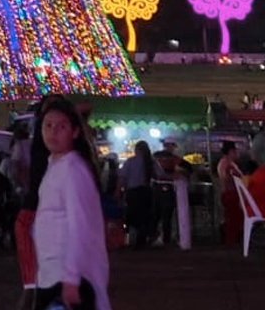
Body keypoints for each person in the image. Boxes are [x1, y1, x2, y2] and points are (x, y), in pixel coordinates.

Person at [32, 96, 109, 310]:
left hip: (67, 276)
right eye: (48, 125)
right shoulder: (54, 166)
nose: (53, 132)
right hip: (51, 274)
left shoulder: (73, 170)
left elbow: (81, 226)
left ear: (75, 132)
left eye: (61, 126)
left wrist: (72, 277)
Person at [13, 98, 53, 310]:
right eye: (49, 124)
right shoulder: (41, 151)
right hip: (36, 213)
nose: (54, 130)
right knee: (32, 287)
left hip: (44, 216)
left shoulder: (67, 161)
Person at [118, 141, 157, 248]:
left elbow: (122, 178)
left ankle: (133, 240)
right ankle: (143, 239)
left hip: (133, 193)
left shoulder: (130, 162)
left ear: (136, 150)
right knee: (145, 216)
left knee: (132, 216)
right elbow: (160, 175)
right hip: (146, 192)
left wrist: (118, 191)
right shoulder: (151, 162)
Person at [216, 141, 244, 245]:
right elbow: (227, 178)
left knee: (234, 218)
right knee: (233, 219)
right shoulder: (227, 164)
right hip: (231, 194)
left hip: (230, 194)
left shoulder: (224, 163)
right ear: (231, 151)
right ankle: (230, 241)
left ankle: (231, 239)